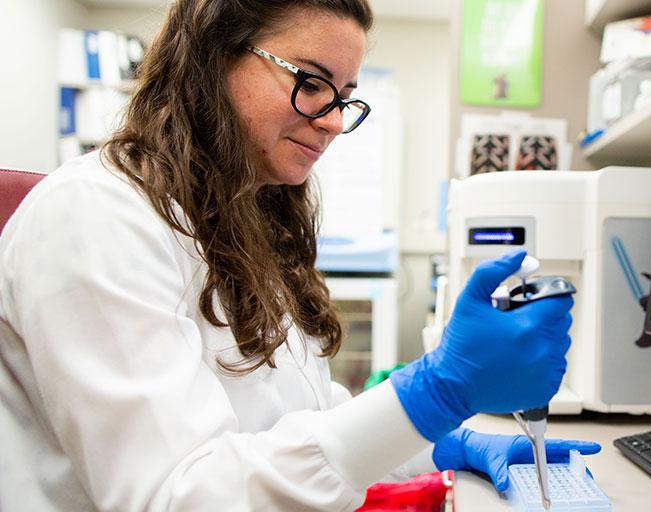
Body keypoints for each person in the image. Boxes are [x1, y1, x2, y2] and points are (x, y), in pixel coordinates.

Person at [0, 1, 597, 510]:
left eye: (344, 98)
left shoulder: (242, 213)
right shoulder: (96, 215)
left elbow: (300, 419)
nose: (333, 121)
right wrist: (433, 393)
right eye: (311, 84)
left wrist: (442, 440)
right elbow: (178, 495)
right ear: (212, 57)